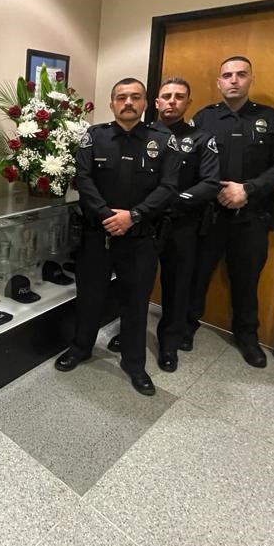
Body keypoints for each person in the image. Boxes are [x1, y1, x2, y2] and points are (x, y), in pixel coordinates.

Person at [55, 78, 179, 395]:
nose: (128, 102)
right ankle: (81, 348)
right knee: (89, 296)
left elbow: (168, 187)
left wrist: (133, 216)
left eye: (135, 97)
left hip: (140, 237)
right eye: (121, 97)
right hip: (98, 234)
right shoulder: (94, 136)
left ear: (145, 103)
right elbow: (83, 178)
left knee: (135, 302)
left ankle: (134, 364)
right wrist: (107, 216)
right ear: (112, 104)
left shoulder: (163, 140)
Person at [185, 56, 274, 368]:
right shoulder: (204, 118)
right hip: (208, 215)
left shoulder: (270, 119)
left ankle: (247, 337)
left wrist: (247, 189)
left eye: (240, 74)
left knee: (247, 280)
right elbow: (187, 162)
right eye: (227, 75)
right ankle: (187, 326)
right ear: (219, 82)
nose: (233, 80)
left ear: (251, 80)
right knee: (197, 274)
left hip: (251, 217)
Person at [108, 78, 220, 372]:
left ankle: (170, 343)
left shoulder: (200, 138)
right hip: (143, 224)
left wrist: (170, 200)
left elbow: (210, 183)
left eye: (179, 97)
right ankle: (128, 335)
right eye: (166, 96)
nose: (172, 101)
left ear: (188, 103)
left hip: (180, 224)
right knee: (134, 286)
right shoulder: (140, 134)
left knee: (177, 286)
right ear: (155, 102)